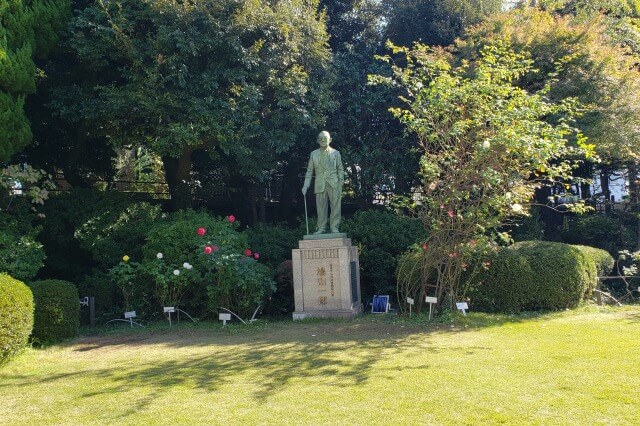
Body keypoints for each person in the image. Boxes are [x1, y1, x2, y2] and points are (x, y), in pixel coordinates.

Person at [302, 131, 345, 234]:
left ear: (330, 140)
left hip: (334, 183)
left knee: (335, 206)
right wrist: (305, 185)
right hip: (320, 184)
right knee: (321, 207)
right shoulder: (313, 154)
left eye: (325, 138)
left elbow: (340, 169)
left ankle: (334, 227)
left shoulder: (336, 153)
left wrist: (341, 182)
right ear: (317, 140)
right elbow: (309, 170)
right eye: (320, 138)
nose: (322, 140)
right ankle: (321, 228)